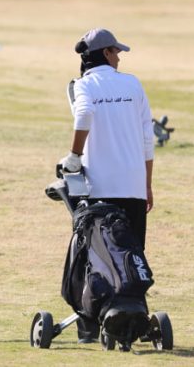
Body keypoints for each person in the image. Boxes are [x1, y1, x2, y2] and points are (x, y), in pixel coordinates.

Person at [59, 28, 155, 342]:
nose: (119, 57)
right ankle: (131, 319)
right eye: (116, 52)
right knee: (130, 254)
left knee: (96, 256)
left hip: (99, 188)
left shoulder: (82, 86)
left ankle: (92, 324)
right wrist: (148, 184)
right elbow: (147, 139)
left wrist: (74, 156)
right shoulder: (133, 83)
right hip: (134, 187)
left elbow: (84, 113)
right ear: (104, 54)